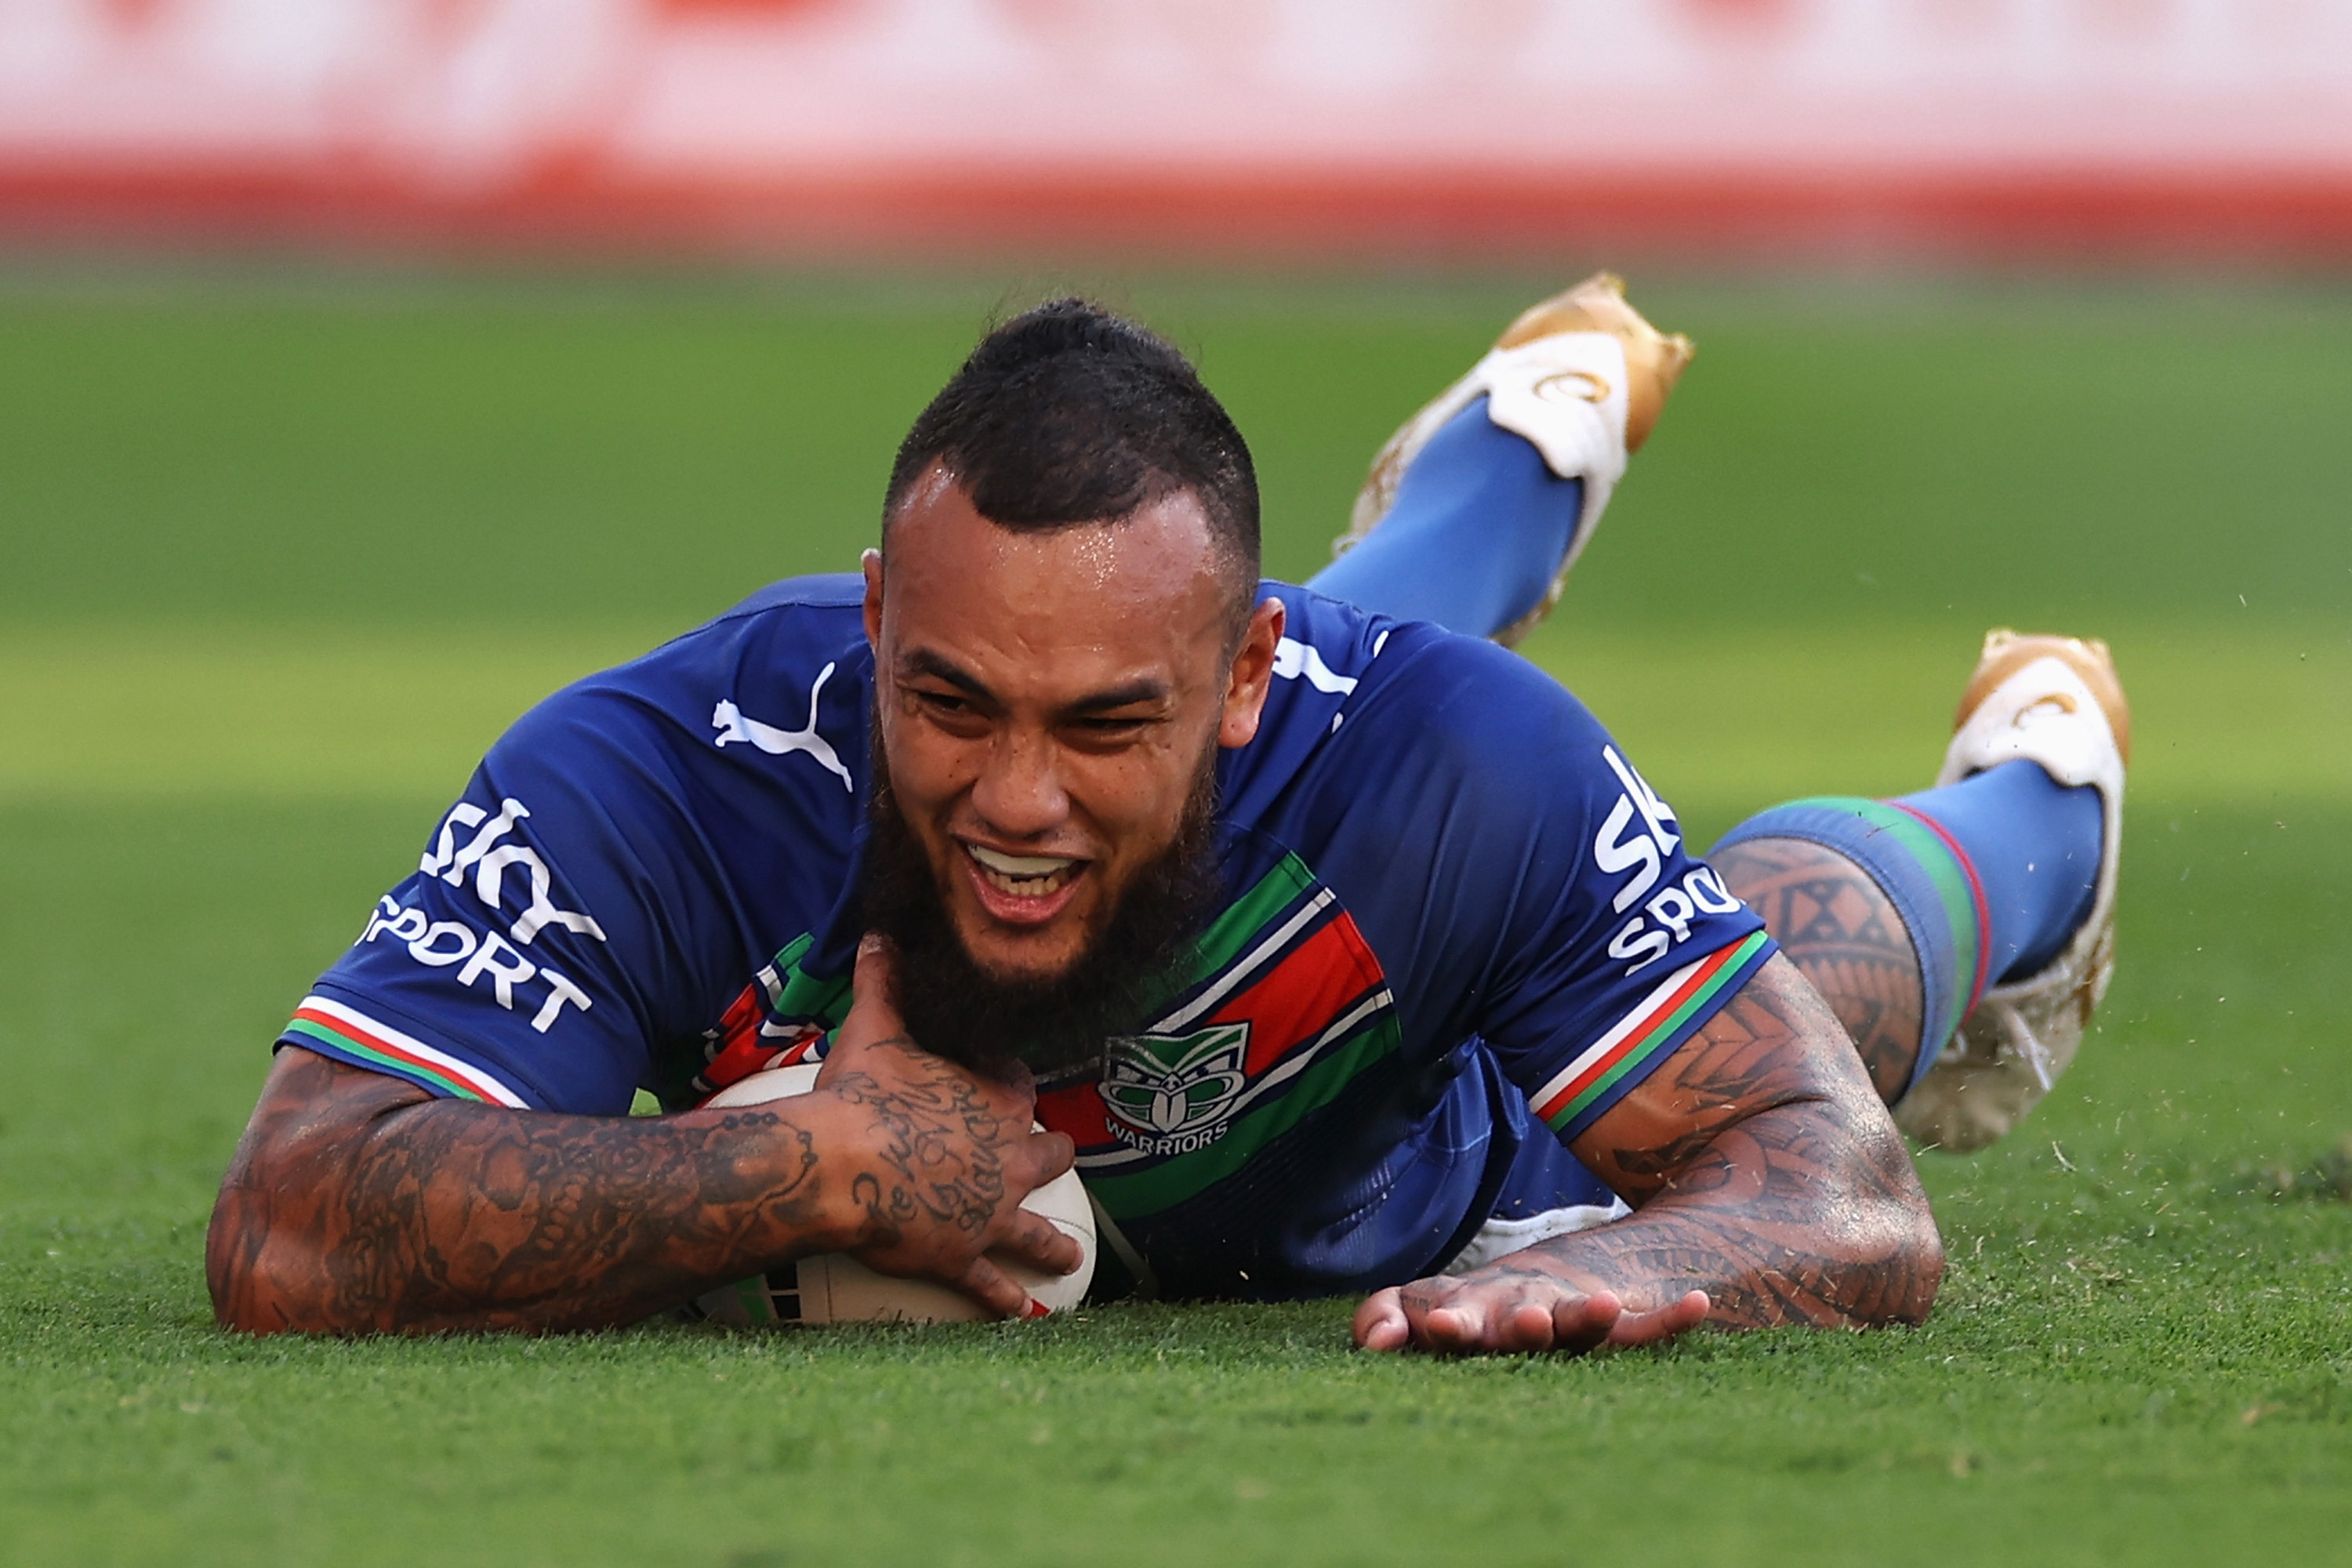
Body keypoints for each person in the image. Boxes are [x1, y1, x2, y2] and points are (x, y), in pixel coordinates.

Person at [207, 279, 2126, 1354]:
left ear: (1241, 685)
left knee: (1814, 976)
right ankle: (1501, 477)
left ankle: (2039, 794)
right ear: (873, 620)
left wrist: (1616, 1255)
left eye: (1104, 721)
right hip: (1273, 739)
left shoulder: (1437, 762)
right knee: (1258, 718)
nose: (1012, 799)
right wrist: (818, 1168)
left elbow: (1845, 1188)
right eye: (947, 701)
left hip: (1410, 1174)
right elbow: (291, 1216)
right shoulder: (679, 768)